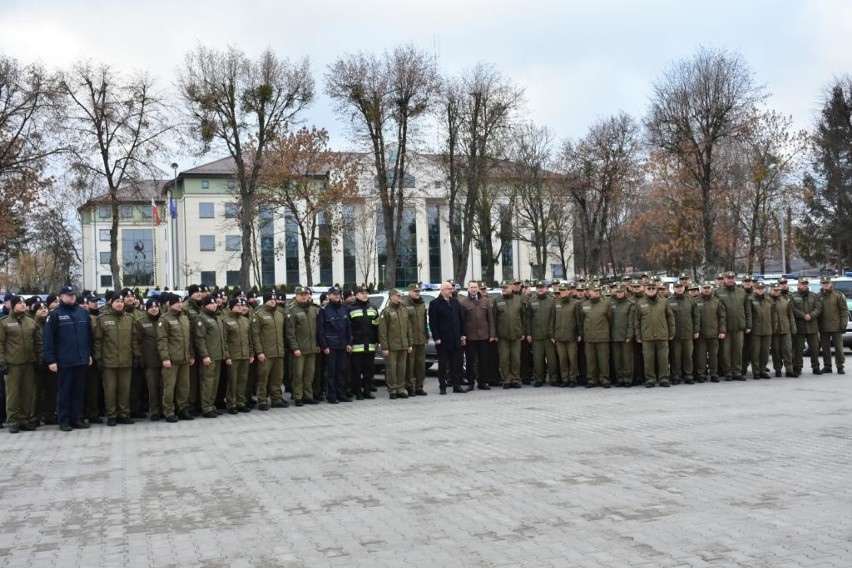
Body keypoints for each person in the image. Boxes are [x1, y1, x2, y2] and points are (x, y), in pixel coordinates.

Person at [42, 286, 93, 431]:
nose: (71, 297)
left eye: (73, 295)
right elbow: (49, 339)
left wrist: (89, 354)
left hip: (81, 358)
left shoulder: (83, 313)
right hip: (64, 361)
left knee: (78, 391)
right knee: (64, 392)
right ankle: (64, 420)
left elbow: (89, 336)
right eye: (68, 295)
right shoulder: (55, 315)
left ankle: (76, 418)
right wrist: (51, 360)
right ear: (61, 297)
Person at [93, 293, 140, 426]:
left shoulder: (129, 319)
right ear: (111, 303)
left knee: (124, 389)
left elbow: (134, 340)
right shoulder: (102, 319)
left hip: (126, 361)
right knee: (110, 390)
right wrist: (99, 359)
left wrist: (136, 355)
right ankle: (112, 415)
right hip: (109, 362)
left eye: (121, 301)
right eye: (116, 301)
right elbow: (98, 341)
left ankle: (124, 414)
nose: (119, 304)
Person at [0, 296, 42, 433]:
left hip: (29, 363)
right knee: (13, 394)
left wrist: (39, 359)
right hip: (12, 364)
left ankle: (24, 419)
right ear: (12, 306)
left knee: (27, 393)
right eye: (19, 303)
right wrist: (2, 363)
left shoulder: (30, 322)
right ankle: (13, 421)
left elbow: (38, 343)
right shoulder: (4, 323)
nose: (23, 305)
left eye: (24, 303)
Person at [157, 293, 195, 422]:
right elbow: (162, 340)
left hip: (184, 358)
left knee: (184, 386)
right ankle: (169, 411)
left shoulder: (184, 318)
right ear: (170, 304)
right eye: (177, 302)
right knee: (169, 386)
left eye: (181, 302)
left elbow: (188, 339)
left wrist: (190, 354)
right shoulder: (165, 319)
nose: (180, 304)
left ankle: (183, 408)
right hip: (171, 359)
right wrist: (165, 358)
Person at [195, 296, 231, 418]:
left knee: (215, 382)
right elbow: (200, 339)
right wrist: (204, 355)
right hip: (209, 356)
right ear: (205, 305)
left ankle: (211, 404)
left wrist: (224, 354)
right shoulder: (202, 318)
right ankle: (206, 407)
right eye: (211, 304)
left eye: (215, 303)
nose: (214, 305)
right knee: (207, 382)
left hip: (217, 355)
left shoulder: (217, 318)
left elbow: (223, 339)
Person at [634, 282, 675, 388]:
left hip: (662, 335)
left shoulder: (664, 301)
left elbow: (670, 317)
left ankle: (664, 378)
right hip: (647, 336)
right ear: (645, 289)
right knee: (648, 359)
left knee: (663, 359)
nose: (651, 290)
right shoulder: (640, 303)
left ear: (656, 289)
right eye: (649, 288)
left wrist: (671, 332)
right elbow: (636, 321)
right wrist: (638, 335)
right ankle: (650, 379)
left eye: (653, 288)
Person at [252, 290, 288, 410]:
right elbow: (255, 335)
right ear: (265, 301)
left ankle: (276, 399)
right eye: (270, 300)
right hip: (266, 353)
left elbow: (284, 332)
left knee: (277, 378)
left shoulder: (279, 314)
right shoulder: (259, 314)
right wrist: (259, 352)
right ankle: (262, 400)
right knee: (263, 378)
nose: (273, 301)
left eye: (274, 299)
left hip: (278, 352)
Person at [429, 281, 467, 395]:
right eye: (449, 289)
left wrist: (462, 335)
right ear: (443, 290)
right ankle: (442, 386)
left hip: (456, 339)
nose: (452, 291)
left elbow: (460, 320)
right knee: (443, 364)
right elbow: (433, 322)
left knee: (456, 364)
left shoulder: (455, 302)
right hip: (443, 340)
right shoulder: (435, 303)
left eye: (452, 289)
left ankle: (456, 386)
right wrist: (436, 337)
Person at [459, 280, 497, 390]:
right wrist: (463, 335)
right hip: (470, 337)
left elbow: (490, 319)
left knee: (484, 360)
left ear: (478, 288)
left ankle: (482, 382)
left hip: (484, 336)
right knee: (470, 361)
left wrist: (492, 334)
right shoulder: (463, 302)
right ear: (468, 289)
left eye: (475, 287)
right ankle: (471, 383)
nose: (474, 289)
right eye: (471, 287)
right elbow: (462, 321)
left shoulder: (485, 301)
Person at [318, 286, 352, 405]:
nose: (337, 296)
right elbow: (321, 330)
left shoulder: (344, 308)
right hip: (330, 346)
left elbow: (348, 327)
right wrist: (324, 346)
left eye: (339, 294)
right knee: (331, 372)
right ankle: (332, 396)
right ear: (329, 295)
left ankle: (341, 394)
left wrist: (349, 343)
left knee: (341, 371)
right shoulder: (324, 310)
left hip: (342, 345)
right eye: (335, 294)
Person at [285, 287, 319, 405]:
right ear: (297, 296)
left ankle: (308, 396)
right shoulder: (293, 311)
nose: (304, 296)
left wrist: (317, 344)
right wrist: (294, 348)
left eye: (306, 294)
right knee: (298, 375)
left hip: (311, 348)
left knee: (309, 374)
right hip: (299, 349)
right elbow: (290, 332)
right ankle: (298, 397)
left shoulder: (313, 310)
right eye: (301, 294)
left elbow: (318, 330)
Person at [716, 271, 751, 381]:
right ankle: (728, 372)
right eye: (728, 278)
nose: (730, 279)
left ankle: (737, 371)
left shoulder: (741, 292)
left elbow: (747, 310)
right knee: (726, 351)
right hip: (725, 327)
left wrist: (748, 325)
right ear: (724, 279)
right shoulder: (718, 292)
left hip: (739, 326)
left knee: (738, 351)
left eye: (732, 277)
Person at [379, 289, 413, 398]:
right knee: (391, 369)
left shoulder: (403, 310)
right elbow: (382, 332)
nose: (400, 297)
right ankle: (392, 390)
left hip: (403, 345)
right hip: (391, 346)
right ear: (391, 297)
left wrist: (409, 344)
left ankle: (400, 389)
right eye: (398, 296)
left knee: (401, 369)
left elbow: (408, 328)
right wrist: (385, 347)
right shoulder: (386, 311)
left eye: (400, 296)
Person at [223, 298, 254, 413]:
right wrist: (227, 356)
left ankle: (241, 402)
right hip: (233, 356)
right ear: (231, 307)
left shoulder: (245, 321)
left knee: (242, 380)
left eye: (242, 306)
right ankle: (232, 404)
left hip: (245, 355)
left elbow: (249, 339)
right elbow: (224, 341)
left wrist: (251, 353)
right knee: (232, 381)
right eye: (238, 306)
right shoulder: (226, 321)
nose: (241, 307)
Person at [493, 280, 525, 389]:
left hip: (516, 334)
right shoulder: (497, 300)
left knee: (516, 358)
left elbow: (523, 317)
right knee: (504, 359)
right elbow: (494, 319)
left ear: (511, 287)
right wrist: (495, 334)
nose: (504, 289)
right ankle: (506, 379)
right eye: (503, 287)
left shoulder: (518, 300)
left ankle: (515, 379)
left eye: (506, 287)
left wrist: (523, 331)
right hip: (503, 336)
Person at [136, 298, 164, 420]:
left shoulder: (163, 320)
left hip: (165, 359)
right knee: (153, 387)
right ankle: (155, 411)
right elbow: (136, 341)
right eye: (151, 307)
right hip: (150, 360)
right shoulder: (141, 322)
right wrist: (139, 356)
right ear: (147, 309)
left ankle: (165, 409)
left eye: (156, 307)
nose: (154, 309)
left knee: (165, 386)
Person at [579, 285, 612, 388]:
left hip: (602, 336)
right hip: (589, 337)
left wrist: (604, 330)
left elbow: (610, 319)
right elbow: (581, 320)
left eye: (598, 290)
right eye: (594, 290)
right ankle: (591, 379)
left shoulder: (606, 304)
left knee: (603, 360)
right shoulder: (584, 305)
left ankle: (604, 379)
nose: (596, 292)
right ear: (589, 292)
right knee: (590, 360)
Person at [349, 287, 378, 400]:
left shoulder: (373, 308)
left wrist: (377, 341)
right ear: (356, 295)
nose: (365, 295)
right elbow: (348, 328)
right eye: (362, 293)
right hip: (356, 346)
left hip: (370, 345)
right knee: (356, 371)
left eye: (366, 293)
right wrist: (349, 343)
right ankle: (357, 391)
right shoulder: (351, 309)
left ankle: (367, 391)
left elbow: (376, 326)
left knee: (369, 371)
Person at [527, 281, 557, 387]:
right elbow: (528, 319)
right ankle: (539, 379)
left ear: (546, 289)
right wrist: (529, 334)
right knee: (538, 359)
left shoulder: (552, 301)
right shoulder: (531, 301)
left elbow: (554, 319)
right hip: (536, 336)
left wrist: (553, 334)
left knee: (552, 359)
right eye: (538, 287)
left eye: (542, 287)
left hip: (549, 336)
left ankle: (553, 378)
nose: (540, 289)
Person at [669, 281, 700, 384]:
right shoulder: (668, 301)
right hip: (675, 334)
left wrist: (696, 330)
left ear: (684, 287)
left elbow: (696, 316)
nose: (679, 289)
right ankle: (676, 375)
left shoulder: (690, 300)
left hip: (688, 333)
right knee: (675, 356)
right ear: (673, 288)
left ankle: (688, 375)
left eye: (681, 286)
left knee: (688, 355)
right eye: (677, 287)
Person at [790, 278, 822, 377]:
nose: (804, 285)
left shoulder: (814, 295)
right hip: (800, 327)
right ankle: (798, 367)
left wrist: (811, 315)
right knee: (798, 349)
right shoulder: (793, 296)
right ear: (798, 285)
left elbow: (818, 307)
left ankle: (815, 367)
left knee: (815, 349)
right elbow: (792, 309)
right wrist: (803, 315)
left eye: (805, 284)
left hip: (812, 327)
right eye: (802, 284)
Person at [695, 282, 726, 382]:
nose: (706, 290)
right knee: (701, 356)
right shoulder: (695, 301)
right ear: (701, 289)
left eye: (708, 288)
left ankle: (714, 373)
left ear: (711, 289)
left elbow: (722, 317)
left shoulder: (716, 301)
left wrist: (722, 330)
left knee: (713, 356)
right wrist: (696, 331)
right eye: (704, 288)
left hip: (714, 333)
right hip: (701, 334)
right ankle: (701, 374)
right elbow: (694, 318)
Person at [817, 276, 848, 374]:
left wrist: (844, 324)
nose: (825, 285)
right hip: (823, 327)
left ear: (830, 284)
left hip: (836, 326)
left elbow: (844, 310)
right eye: (823, 283)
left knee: (838, 348)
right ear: (821, 284)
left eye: (827, 283)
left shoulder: (838, 295)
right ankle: (827, 366)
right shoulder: (818, 296)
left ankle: (840, 366)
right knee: (825, 348)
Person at [402, 284, 428, 396]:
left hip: (421, 339)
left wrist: (426, 335)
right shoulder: (404, 304)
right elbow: (403, 324)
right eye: (415, 291)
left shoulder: (422, 304)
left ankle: (419, 387)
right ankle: (410, 387)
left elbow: (424, 321)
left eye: (419, 291)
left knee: (420, 365)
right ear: (410, 292)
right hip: (411, 341)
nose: (418, 293)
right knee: (410, 365)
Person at [609, 284, 635, 387]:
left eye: (621, 292)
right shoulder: (611, 303)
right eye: (618, 292)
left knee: (627, 359)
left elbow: (630, 321)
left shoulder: (629, 304)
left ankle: (627, 379)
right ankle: (619, 379)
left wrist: (629, 335)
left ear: (625, 292)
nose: (619, 294)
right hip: (615, 335)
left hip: (625, 336)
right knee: (617, 359)